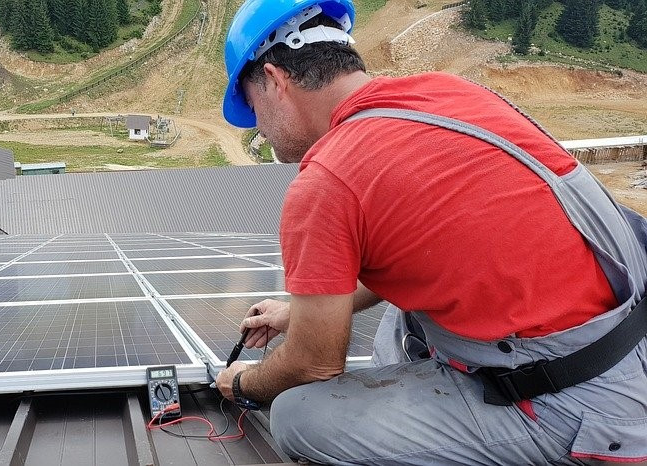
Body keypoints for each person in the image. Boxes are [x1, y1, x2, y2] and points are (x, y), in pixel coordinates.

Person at [213, 0, 647, 464]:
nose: (260, 130)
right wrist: (297, 314)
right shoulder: (449, 94)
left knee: (297, 416)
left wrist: (241, 383)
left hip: (582, 408)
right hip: (630, 341)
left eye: (253, 107)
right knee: (400, 320)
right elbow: (423, 248)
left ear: (276, 80)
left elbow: (312, 364)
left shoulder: (326, 180)